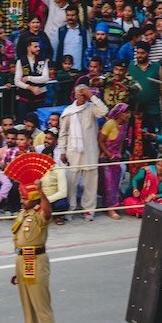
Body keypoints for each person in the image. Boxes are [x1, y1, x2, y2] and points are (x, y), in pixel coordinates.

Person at [4, 156, 58, 323]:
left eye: (25, 197)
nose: (22, 200)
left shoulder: (40, 214)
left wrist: (41, 190)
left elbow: (47, 209)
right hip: (23, 259)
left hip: (37, 259)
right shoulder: (24, 213)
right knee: (27, 301)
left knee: (41, 303)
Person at [59, 84, 108, 221]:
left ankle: (88, 210)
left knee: (91, 182)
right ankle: (70, 208)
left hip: (90, 151)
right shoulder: (68, 111)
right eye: (79, 93)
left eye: (83, 93)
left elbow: (104, 111)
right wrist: (62, 150)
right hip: (73, 152)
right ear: (74, 95)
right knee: (71, 182)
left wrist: (92, 96)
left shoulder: (92, 108)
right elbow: (63, 134)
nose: (81, 96)